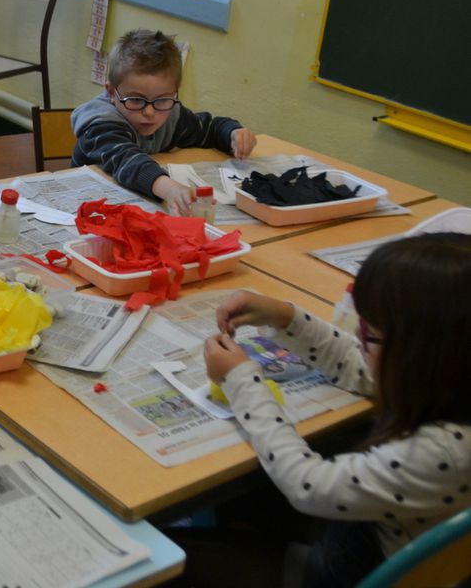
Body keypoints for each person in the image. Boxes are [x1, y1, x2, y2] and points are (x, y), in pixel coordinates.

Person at [203, 232, 471, 588]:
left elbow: (307, 484)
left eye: (371, 335)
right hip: (376, 533)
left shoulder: (444, 451)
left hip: (356, 573)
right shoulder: (452, 380)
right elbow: (360, 365)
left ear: (421, 356)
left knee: (180, 557)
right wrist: (285, 317)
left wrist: (240, 381)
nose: (360, 341)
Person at [71, 29, 259, 216]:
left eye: (161, 100)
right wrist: (169, 189)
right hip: (82, 205)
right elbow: (127, 160)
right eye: (136, 100)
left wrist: (233, 133)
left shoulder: (171, 115)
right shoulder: (100, 124)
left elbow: (208, 128)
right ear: (112, 93)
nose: (150, 112)